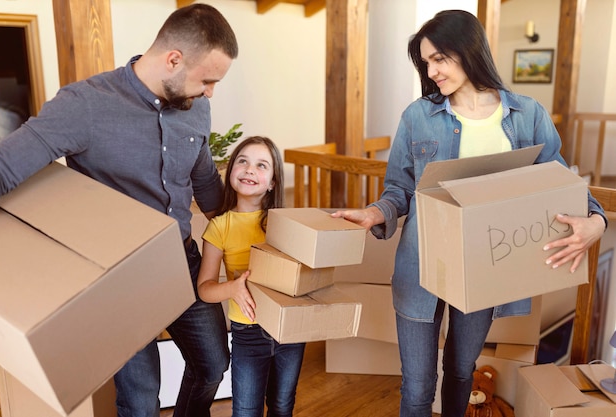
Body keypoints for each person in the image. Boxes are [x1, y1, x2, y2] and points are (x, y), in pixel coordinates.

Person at [331, 10, 608, 417]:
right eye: (426, 62)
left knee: (461, 370)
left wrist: (596, 222)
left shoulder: (527, 115)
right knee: (418, 385)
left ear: (469, 49)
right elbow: (400, 189)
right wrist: (376, 213)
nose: (432, 70)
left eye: (439, 58)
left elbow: (561, 184)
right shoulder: (418, 117)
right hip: (421, 264)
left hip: (485, 267)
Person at [0, 4, 238, 417]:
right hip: (120, 277)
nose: (210, 92)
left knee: (213, 364)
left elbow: (205, 178)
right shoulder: (84, 105)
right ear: (173, 60)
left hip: (182, 261)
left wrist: (244, 226)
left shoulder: (197, 108)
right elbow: (1, 170)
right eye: (207, 80)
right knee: (140, 401)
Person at [196, 136, 306, 417]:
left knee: (282, 406)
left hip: (289, 332)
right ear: (231, 170)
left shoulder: (284, 225)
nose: (249, 169)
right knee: (246, 411)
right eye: (242, 161)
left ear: (272, 182)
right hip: (248, 333)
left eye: (261, 165)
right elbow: (205, 289)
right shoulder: (220, 227)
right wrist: (232, 288)